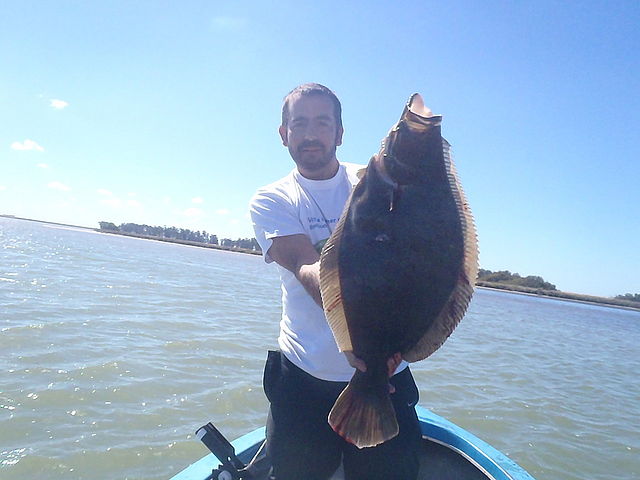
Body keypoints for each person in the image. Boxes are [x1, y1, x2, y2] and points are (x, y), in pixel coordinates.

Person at [249, 83, 421, 480]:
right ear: (284, 134)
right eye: (299, 124)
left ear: (340, 133)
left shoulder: (375, 183)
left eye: (322, 123)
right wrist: (356, 337)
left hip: (387, 373)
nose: (310, 134)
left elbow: (415, 261)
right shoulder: (272, 199)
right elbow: (303, 263)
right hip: (304, 379)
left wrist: (396, 344)